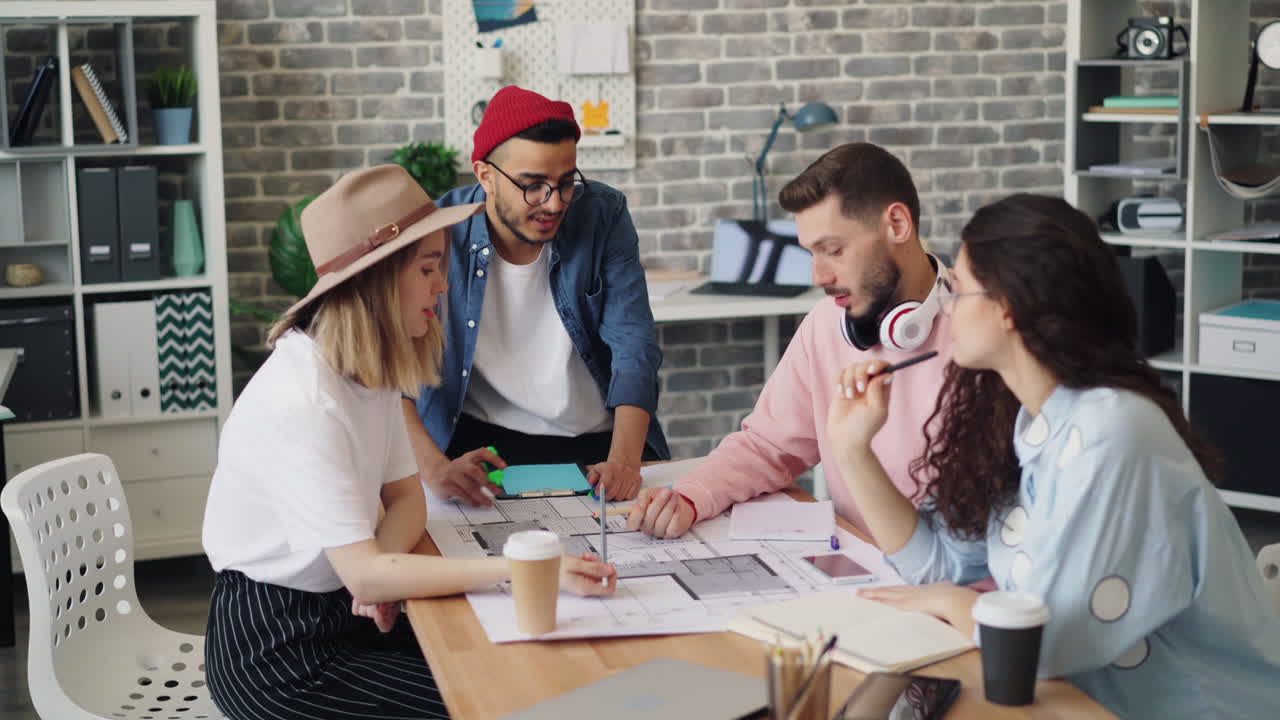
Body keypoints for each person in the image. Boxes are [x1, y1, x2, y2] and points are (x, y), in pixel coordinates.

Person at [829, 194, 1280, 718]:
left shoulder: (1113, 432)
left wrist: (955, 604)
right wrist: (852, 449)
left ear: (1007, 308)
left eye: (958, 289)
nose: (947, 308)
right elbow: (940, 565)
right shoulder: (1024, 420)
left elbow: (1044, 647)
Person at [202, 165, 617, 720]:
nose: (442, 285)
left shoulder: (364, 372)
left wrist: (379, 578)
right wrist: (522, 569)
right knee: (500, 700)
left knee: (520, 667)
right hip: (279, 651)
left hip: (345, 610)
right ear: (376, 281)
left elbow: (406, 499)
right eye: (427, 268)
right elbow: (364, 570)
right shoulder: (305, 400)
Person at [630, 142, 953, 539]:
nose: (818, 277)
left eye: (833, 250)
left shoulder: (985, 333)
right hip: (858, 562)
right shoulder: (828, 322)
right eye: (811, 254)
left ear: (897, 225)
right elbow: (769, 446)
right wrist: (691, 497)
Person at [404, 85, 668, 507]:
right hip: (480, 449)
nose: (554, 203)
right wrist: (433, 467)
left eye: (566, 183)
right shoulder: (440, 231)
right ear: (485, 175)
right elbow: (393, 360)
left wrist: (624, 460)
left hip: (598, 446)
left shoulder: (603, 215)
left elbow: (634, 347)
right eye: (533, 186)